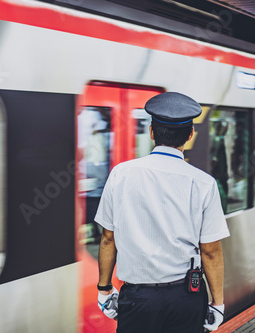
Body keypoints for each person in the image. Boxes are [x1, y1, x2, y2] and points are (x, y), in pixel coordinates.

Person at [95, 92, 230, 332]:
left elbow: (108, 239)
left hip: (137, 299)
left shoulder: (120, 174)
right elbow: (210, 252)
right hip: (186, 298)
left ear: (151, 132)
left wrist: (104, 288)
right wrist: (217, 302)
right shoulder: (203, 183)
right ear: (189, 135)